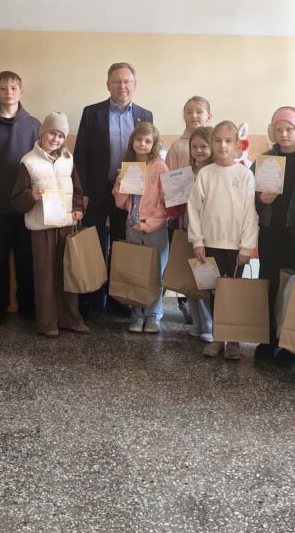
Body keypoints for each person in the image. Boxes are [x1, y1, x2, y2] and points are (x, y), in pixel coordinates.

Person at [74, 62, 153, 314]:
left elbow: (150, 156)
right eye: (117, 81)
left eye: (127, 81)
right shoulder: (91, 113)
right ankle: (92, 299)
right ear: (108, 84)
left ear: (135, 85)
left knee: (122, 243)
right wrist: (82, 193)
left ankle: (119, 299)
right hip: (97, 190)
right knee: (94, 243)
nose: (122, 86)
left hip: (128, 193)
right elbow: (80, 156)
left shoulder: (145, 115)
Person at [11, 112, 89, 338]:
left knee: (68, 273)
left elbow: (78, 190)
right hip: (41, 227)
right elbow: (17, 199)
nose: (55, 139)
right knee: (44, 276)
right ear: (42, 133)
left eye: (60, 135)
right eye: (51, 133)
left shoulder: (68, 159)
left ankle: (71, 318)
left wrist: (79, 208)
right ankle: (47, 323)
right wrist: (31, 195)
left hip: (66, 225)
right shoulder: (28, 162)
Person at [254, 106, 295, 361]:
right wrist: (260, 200)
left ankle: (292, 345)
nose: (284, 134)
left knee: (294, 287)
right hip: (270, 232)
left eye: (289, 129)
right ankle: (268, 339)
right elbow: (248, 196)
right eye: (279, 129)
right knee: (269, 284)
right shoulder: (263, 160)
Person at [187, 121, 260, 360]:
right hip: (209, 244)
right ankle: (218, 337)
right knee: (213, 291)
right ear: (212, 143)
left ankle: (234, 340)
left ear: (237, 145)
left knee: (233, 293)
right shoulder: (205, 174)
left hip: (236, 247)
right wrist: (197, 241)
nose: (223, 146)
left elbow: (250, 213)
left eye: (228, 141)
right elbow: (194, 208)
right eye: (218, 140)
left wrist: (246, 247)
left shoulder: (245, 175)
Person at [0, 71, 41, 324]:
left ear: (21, 92)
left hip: (26, 205)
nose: (8, 92)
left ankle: (27, 305)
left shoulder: (34, 125)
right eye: (3, 88)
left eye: (13, 88)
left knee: (26, 258)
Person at [113, 122, 170, 333]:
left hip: (155, 229)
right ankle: (136, 315)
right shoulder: (129, 165)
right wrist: (120, 182)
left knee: (155, 273)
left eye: (147, 141)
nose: (142, 144)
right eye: (139, 139)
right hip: (132, 225)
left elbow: (166, 202)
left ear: (154, 144)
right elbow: (120, 203)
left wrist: (149, 224)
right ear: (132, 141)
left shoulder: (160, 167)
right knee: (134, 272)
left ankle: (153, 316)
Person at [165, 96, 212, 324]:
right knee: (187, 267)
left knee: (205, 271)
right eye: (189, 112)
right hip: (184, 218)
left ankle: (208, 320)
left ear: (208, 116)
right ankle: (193, 314)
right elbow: (169, 181)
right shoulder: (177, 146)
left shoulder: (215, 147)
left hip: (209, 224)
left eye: (199, 112)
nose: (194, 116)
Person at [184, 126, 215, 343]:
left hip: (207, 233)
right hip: (187, 230)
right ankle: (196, 323)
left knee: (204, 280)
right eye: (194, 147)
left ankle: (209, 326)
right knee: (190, 280)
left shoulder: (214, 172)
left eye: (203, 146)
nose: (198, 150)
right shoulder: (188, 172)